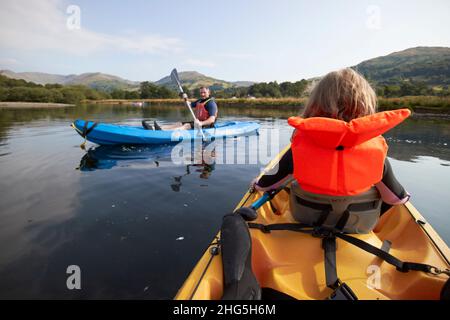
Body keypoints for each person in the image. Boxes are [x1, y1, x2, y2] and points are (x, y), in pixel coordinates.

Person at [254, 68, 411, 215]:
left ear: (314, 106)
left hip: (305, 220)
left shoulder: (298, 149)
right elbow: (395, 199)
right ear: (366, 108)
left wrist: (257, 183)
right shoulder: (376, 154)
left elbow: (265, 185)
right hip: (357, 227)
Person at [143, 86, 218, 130]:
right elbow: (188, 104)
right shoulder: (199, 101)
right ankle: (154, 128)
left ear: (209, 93)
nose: (202, 94)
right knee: (179, 123)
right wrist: (184, 98)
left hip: (207, 125)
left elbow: (212, 119)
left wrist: (201, 123)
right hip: (198, 122)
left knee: (187, 126)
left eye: (204, 92)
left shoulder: (211, 103)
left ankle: (165, 133)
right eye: (201, 92)